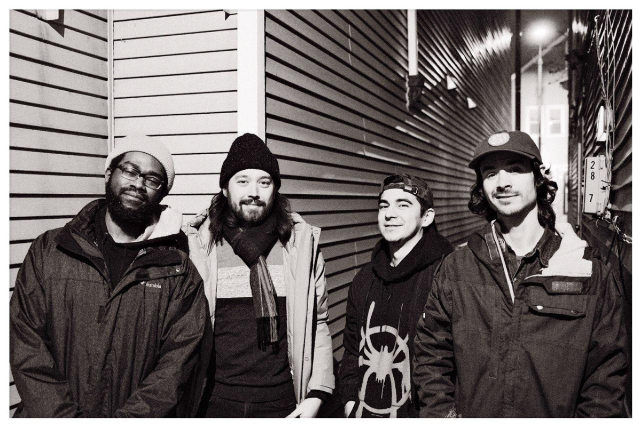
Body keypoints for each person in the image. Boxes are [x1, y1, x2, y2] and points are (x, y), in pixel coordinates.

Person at [413, 130, 628, 417]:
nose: (502, 182)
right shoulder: (456, 269)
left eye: (514, 169)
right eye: (490, 173)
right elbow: (430, 356)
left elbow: (606, 378)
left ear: (538, 177)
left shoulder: (586, 271)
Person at [10, 136, 212, 417]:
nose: (138, 184)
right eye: (130, 171)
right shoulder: (50, 250)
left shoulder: (178, 271)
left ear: (162, 194)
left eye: (152, 180)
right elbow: (26, 343)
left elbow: (177, 365)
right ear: (108, 174)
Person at [185, 133, 334, 418]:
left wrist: (317, 393)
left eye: (264, 182)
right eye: (242, 181)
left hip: (282, 402)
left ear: (275, 189)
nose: (254, 191)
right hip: (213, 402)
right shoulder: (200, 246)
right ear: (225, 188)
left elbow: (319, 321)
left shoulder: (299, 246)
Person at [339, 174, 453, 418]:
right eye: (384, 206)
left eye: (403, 205)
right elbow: (351, 350)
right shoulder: (364, 279)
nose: (389, 214)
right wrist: (350, 404)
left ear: (426, 217)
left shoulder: (446, 276)